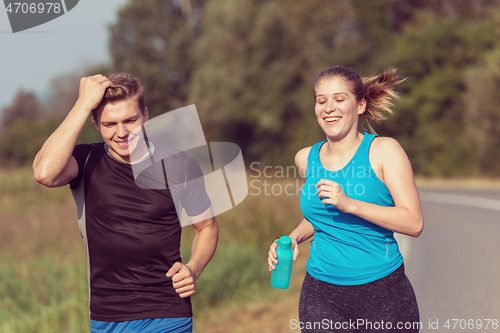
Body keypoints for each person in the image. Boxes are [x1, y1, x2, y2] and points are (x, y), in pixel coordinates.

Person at [33, 73, 219, 333]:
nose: (122, 133)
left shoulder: (179, 164)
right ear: (95, 124)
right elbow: (44, 173)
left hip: (168, 311)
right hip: (108, 315)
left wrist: (194, 268)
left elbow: (206, 227)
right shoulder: (86, 160)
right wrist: (82, 104)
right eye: (109, 124)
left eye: (130, 120)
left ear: (145, 115)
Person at [268, 66, 423, 333]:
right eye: (321, 100)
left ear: (360, 105)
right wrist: (292, 238)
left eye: (339, 99)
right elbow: (319, 217)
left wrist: (350, 204)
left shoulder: (384, 151)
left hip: (381, 293)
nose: (329, 107)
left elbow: (413, 222)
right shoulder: (306, 158)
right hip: (320, 294)